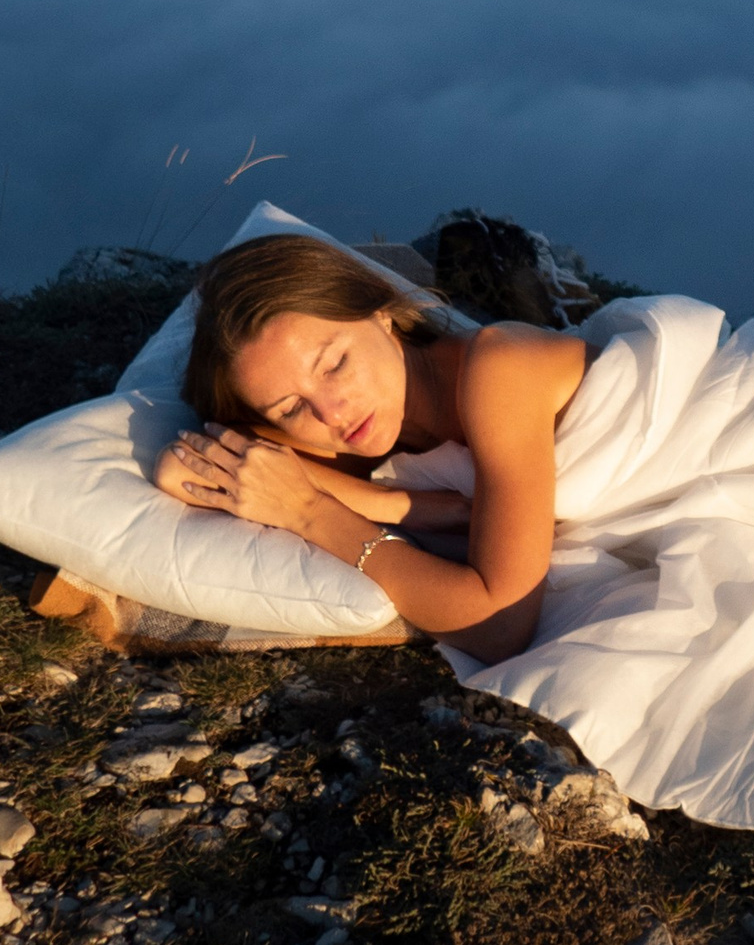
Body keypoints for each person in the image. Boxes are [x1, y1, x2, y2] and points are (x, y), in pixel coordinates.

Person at [154, 233, 582, 660]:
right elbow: (181, 470)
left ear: (380, 313)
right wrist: (404, 504)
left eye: (336, 364)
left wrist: (310, 512)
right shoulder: (382, 442)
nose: (332, 413)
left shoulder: (498, 368)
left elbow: (499, 627)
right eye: (290, 409)